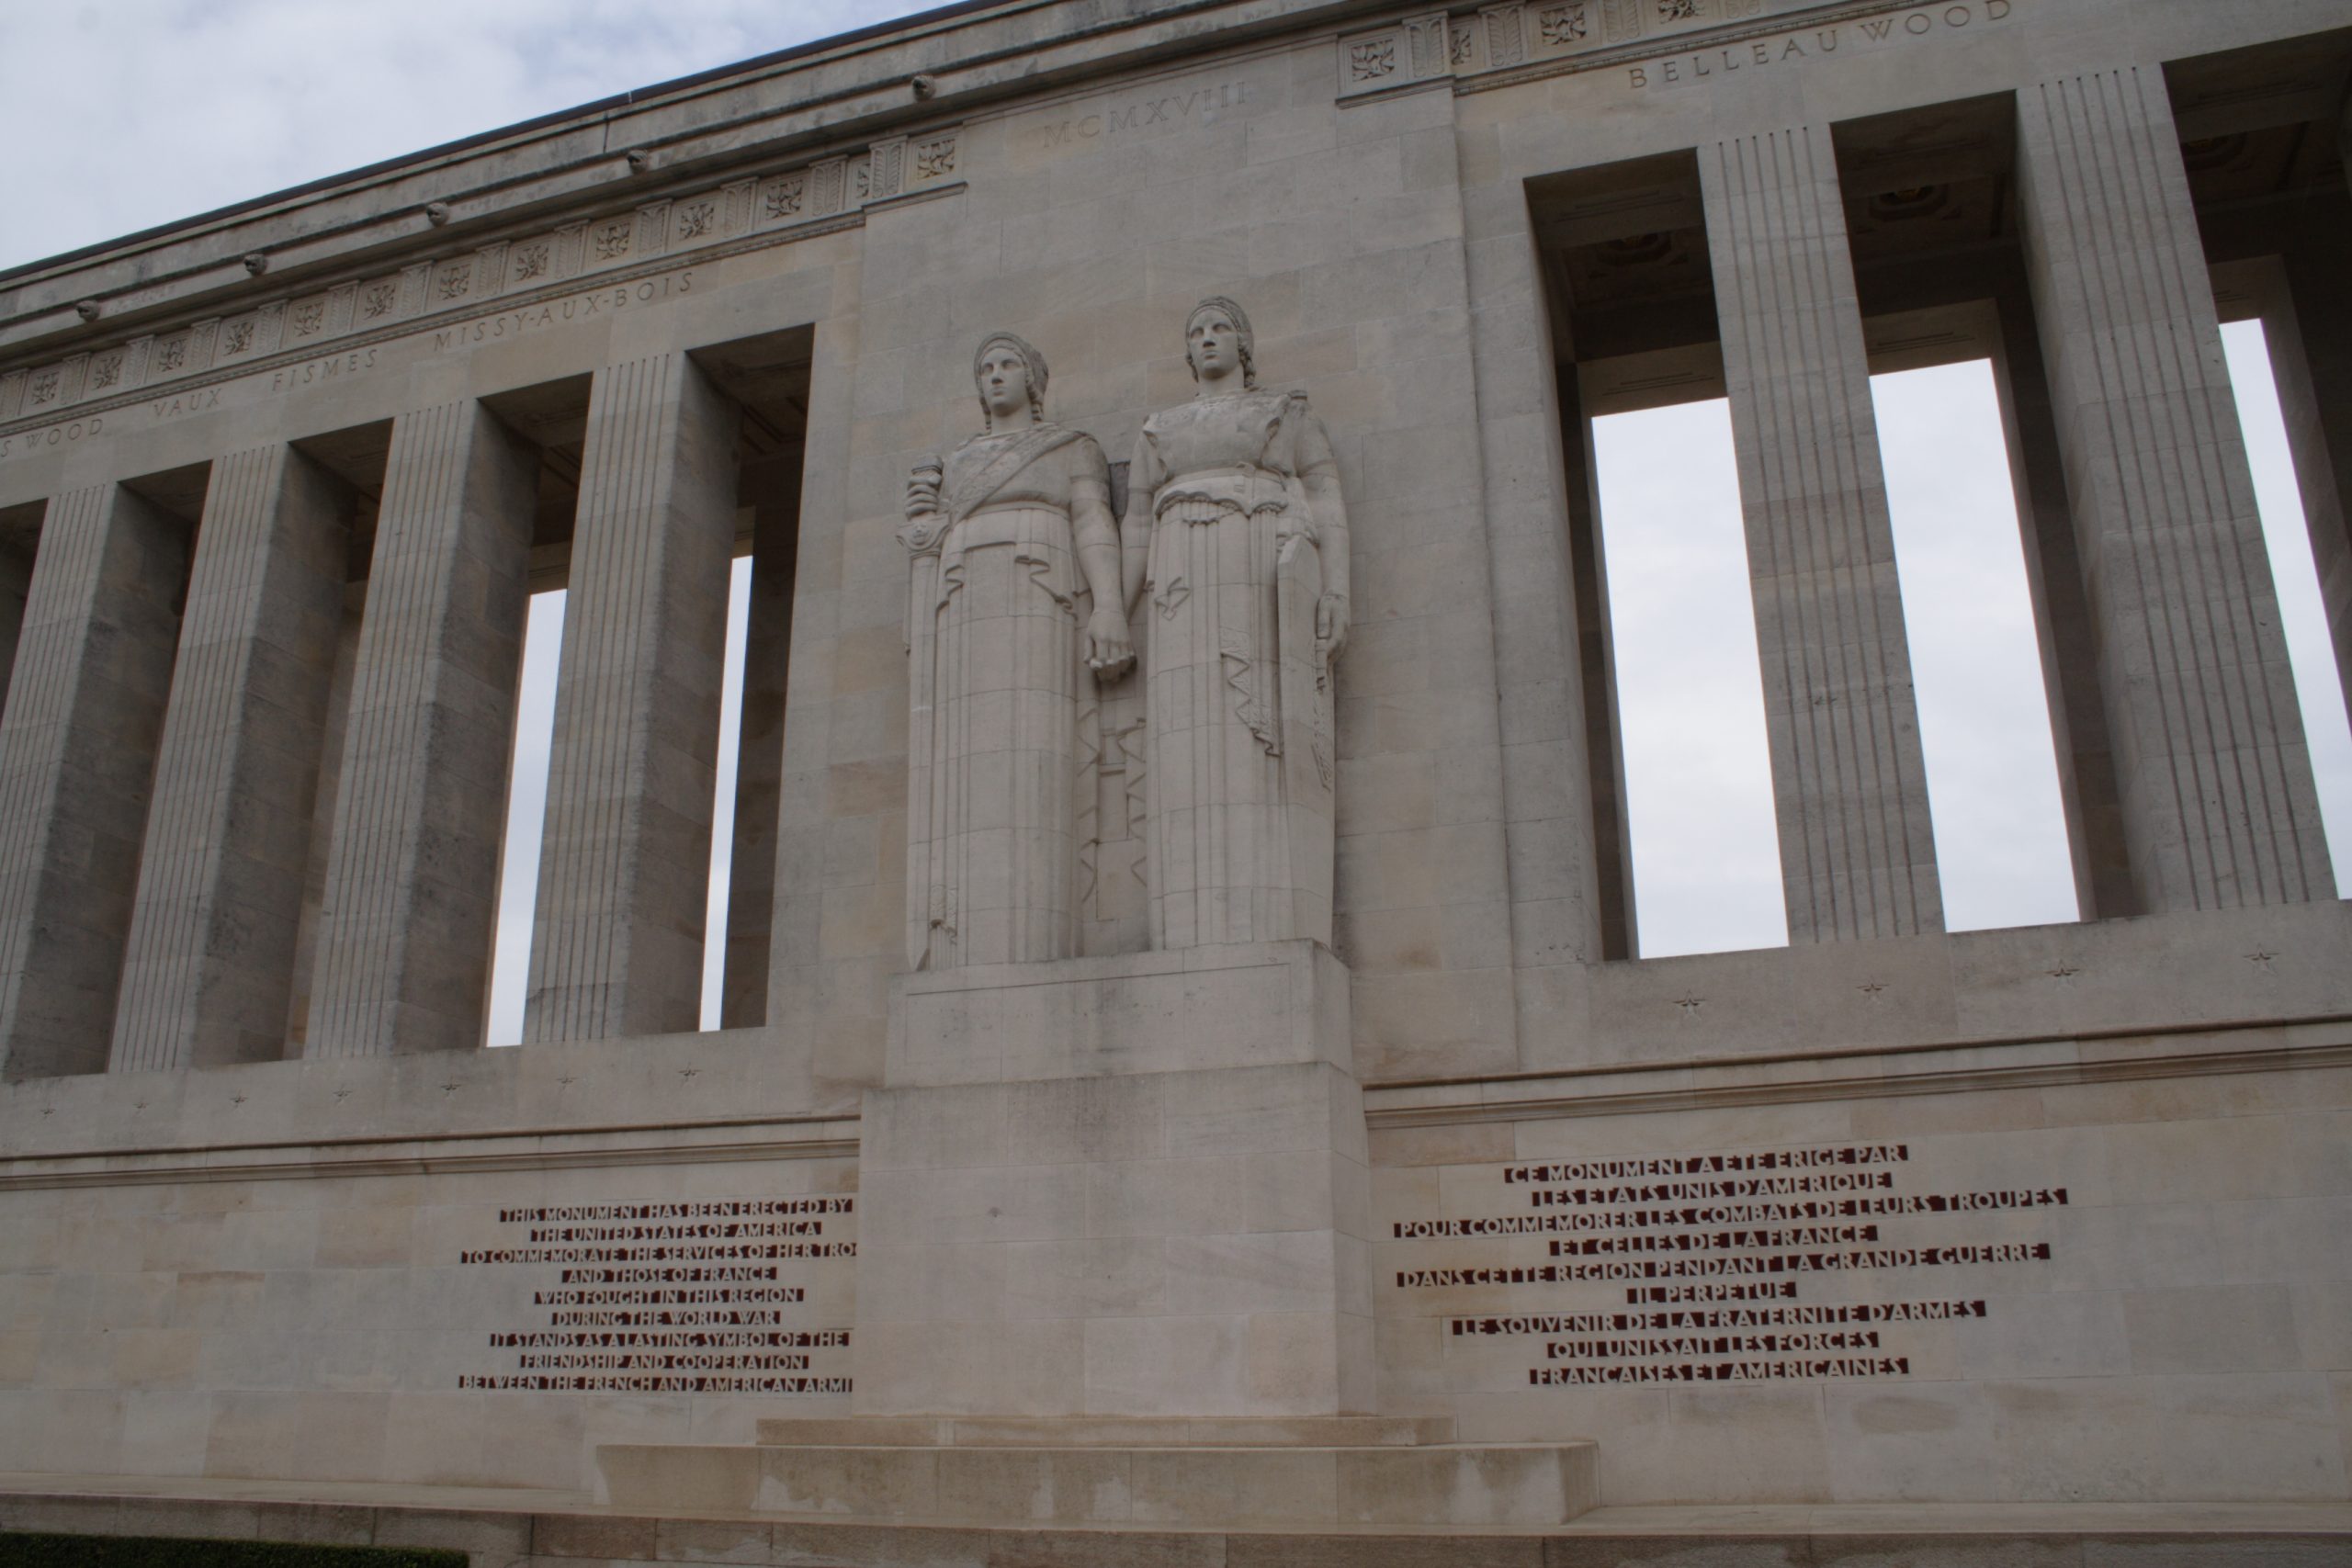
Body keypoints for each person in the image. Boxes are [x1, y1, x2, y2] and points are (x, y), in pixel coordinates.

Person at [1123, 296, 1351, 950]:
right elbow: (1136, 522)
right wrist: (1111, 609)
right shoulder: (1158, 430)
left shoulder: (1283, 413)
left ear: (1244, 345)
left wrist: (1337, 588)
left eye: (1221, 328)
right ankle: (1190, 928)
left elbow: (1325, 494)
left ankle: (1268, 917)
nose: (1208, 339)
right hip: (1178, 591)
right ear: (1187, 351)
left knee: (1260, 742)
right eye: (1196, 331)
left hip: (1259, 569)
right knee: (1183, 748)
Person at [899, 333, 1132, 969]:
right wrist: (925, 523)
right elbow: (927, 540)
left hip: (1041, 593)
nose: (995, 376)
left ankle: (1032, 944)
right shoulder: (957, 463)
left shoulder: (1069, 448)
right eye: (986, 368)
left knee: (1036, 757)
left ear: (1033, 379)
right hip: (966, 606)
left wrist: (1109, 604)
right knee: (970, 770)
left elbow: (1093, 521)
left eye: (1008, 366)